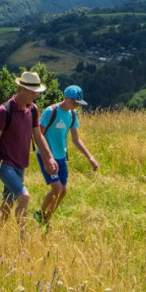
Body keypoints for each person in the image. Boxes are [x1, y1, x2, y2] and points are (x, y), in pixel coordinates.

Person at [0, 71, 58, 228]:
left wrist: (49, 157)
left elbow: (38, 137)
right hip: (2, 164)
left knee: (7, 202)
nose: (35, 96)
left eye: (36, 93)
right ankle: (23, 239)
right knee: (24, 196)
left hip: (20, 164)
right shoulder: (3, 112)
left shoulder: (33, 110)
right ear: (21, 89)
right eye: (32, 92)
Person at [33, 85, 99, 228]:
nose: (76, 106)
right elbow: (38, 136)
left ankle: (46, 220)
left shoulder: (72, 115)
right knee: (56, 189)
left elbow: (76, 139)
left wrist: (90, 157)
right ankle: (39, 213)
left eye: (78, 104)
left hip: (61, 157)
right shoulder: (51, 111)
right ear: (66, 98)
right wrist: (45, 160)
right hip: (47, 156)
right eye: (74, 102)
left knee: (63, 192)